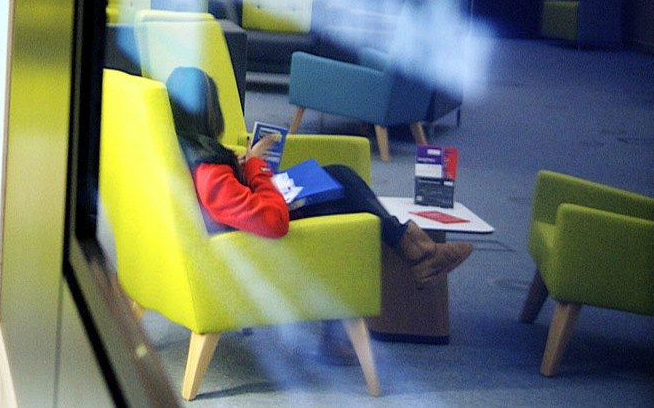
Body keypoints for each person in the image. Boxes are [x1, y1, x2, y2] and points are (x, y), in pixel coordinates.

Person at [165, 66, 473, 362]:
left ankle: (415, 250)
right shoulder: (211, 173)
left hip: (247, 222)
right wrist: (255, 168)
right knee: (345, 202)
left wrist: (240, 162)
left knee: (340, 178)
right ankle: (416, 252)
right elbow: (272, 223)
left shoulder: (193, 154)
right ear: (210, 113)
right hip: (253, 241)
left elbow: (233, 199)